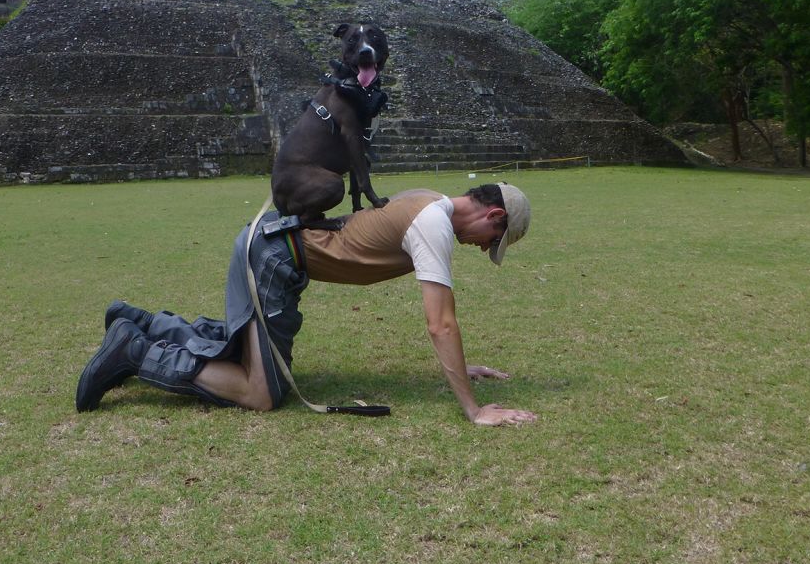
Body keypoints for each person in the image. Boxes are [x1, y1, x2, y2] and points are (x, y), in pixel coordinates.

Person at [76, 182, 537, 427]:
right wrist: (474, 410)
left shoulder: (428, 198)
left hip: (272, 244)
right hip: (276, 256)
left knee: (246, 353)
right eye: (493, 241)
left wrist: (459, 366)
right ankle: (135, 353)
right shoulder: (433, 223)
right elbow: (441, 325)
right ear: (493, 215)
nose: (483, 248)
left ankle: (145, 324)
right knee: (260, 392)